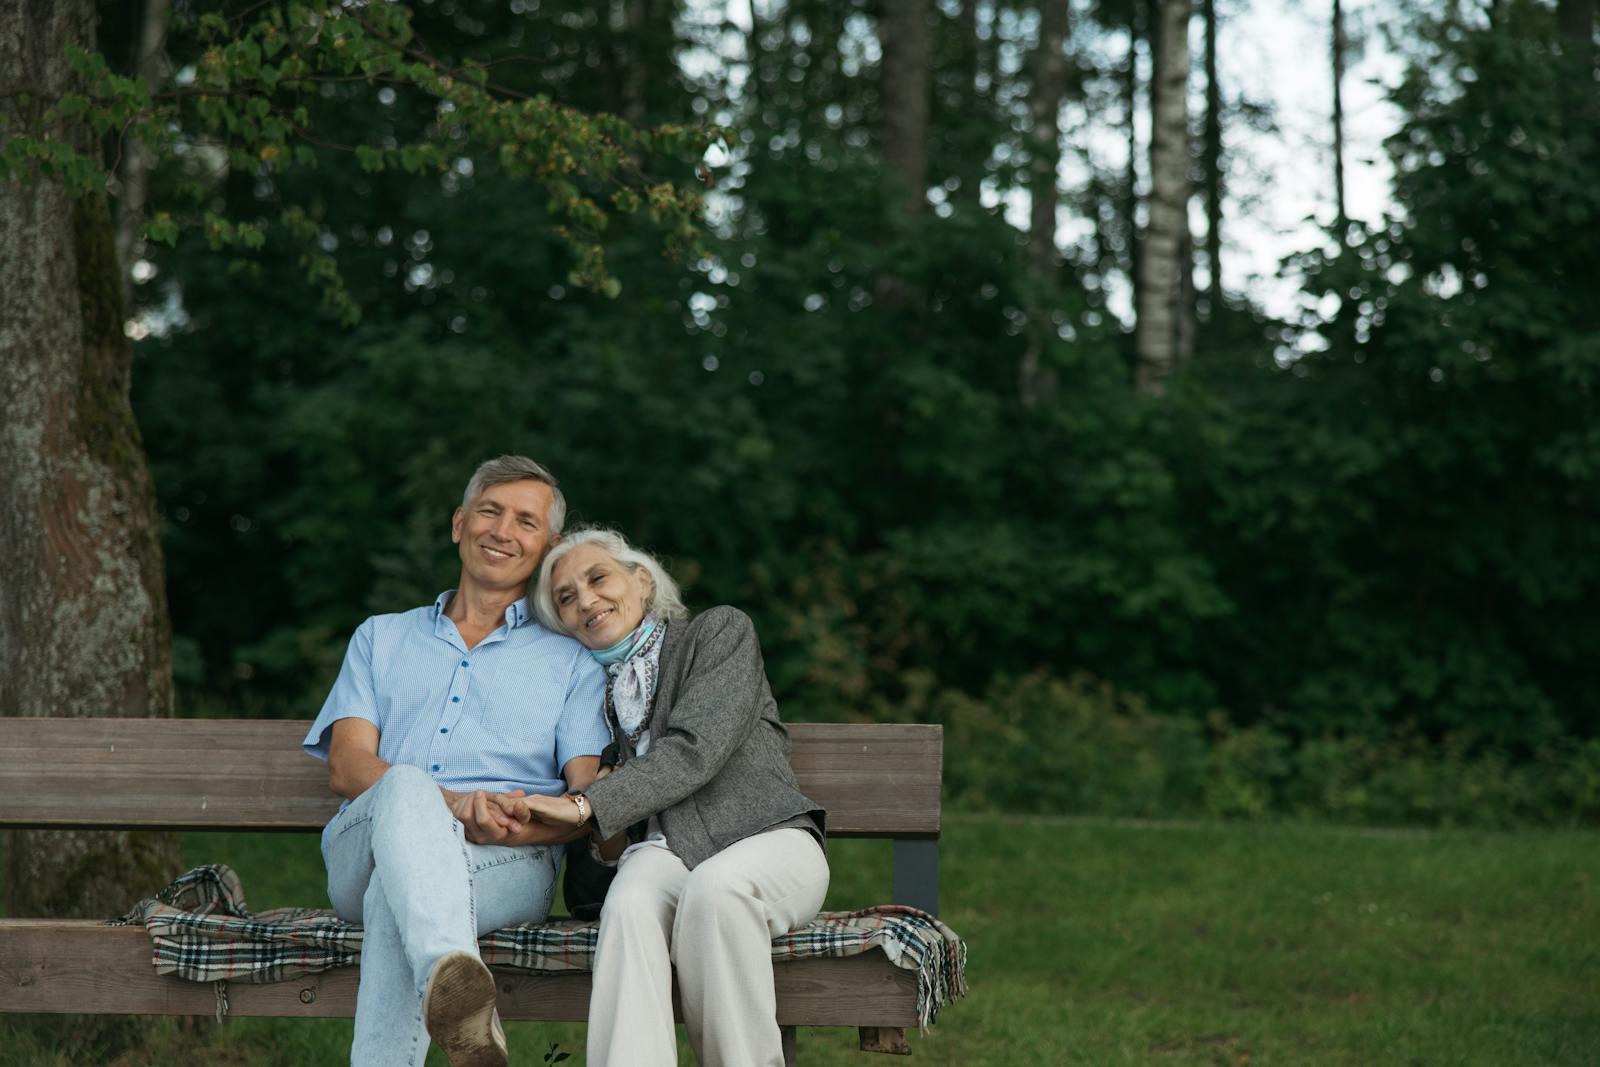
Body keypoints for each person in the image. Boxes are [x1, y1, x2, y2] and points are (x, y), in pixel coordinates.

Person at [302, 456, 611, 1067]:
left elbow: (587, 796)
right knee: (407, 792)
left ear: (547, 547)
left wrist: (517, 818)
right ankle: (460, 993)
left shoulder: (572, 659)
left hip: (508, 858)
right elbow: (348, 765)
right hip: (362, 845)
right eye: (490, 512)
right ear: (458, 523)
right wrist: (448, 808)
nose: (502, 531)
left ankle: (451, 984)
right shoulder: (380, 637)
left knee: (398, 895)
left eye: (525, 521)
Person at [508, 527, 829, 1067]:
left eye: (597, 578)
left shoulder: (718, 634)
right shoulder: (587, 702)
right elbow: (592, 889)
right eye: (566, 598)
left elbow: (693, 752)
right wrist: (599, 834)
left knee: (717, 889)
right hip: (665, 856)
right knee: (629, 905)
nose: (586, 600)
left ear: (641, 581)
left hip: (770, 843)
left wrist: (590, 803)